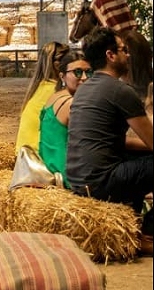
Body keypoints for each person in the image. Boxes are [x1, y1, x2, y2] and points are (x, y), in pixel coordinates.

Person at [66, 27, 153, 255]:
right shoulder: (121, 90)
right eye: (123, 50)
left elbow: (116, 141)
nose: (129, 55)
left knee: (141, 161)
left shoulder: (84, 90)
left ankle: (132, 222)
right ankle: (149, 233)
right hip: (101, 182)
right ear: (110, 55)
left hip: (78, 179)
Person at [38, 51, 91, 187]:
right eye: (77, 72)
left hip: (50, 165)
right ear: (62, 76)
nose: (84, 77)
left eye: (89, 72)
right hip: (67, 174)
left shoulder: (55, 96)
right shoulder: (71, 104)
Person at [15, 41, 71, 154]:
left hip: (24, 157)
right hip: (39, 157)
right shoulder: (56, 92)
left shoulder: (39, 87)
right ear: (57, 65)